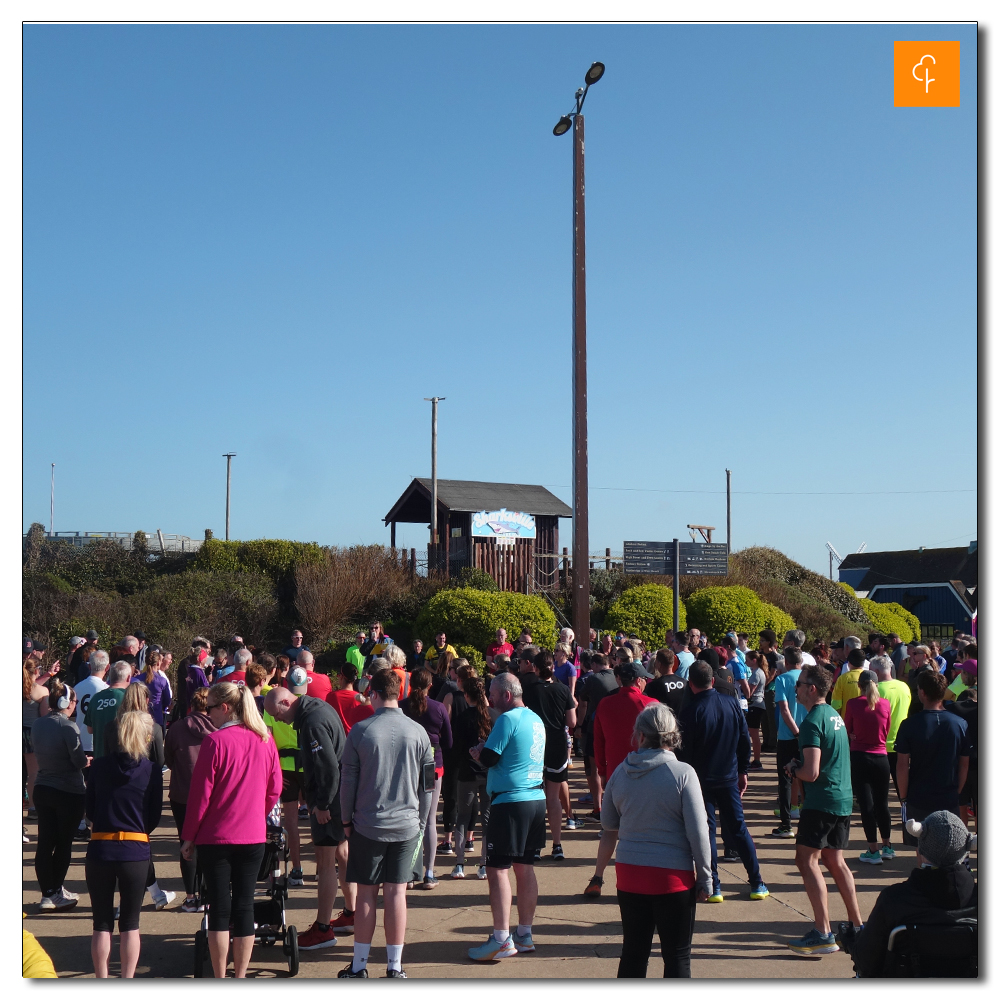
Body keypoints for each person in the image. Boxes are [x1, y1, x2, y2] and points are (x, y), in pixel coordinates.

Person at [180, 682, 282, 979]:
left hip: (216, 837)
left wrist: (189, 837)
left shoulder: (215, 742)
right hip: (252, 835)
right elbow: (274, 788)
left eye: (210, 707)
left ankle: (220, 976)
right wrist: (256, 813)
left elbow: (200, 796)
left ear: (225, 707)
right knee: (244, 905)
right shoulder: (265, 739)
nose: (207, 713)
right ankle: (239, 976)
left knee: (219, 909)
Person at [602, 704, 712, 977]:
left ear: (640, 736)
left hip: (629, 873)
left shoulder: (620, 772)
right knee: (677, 956)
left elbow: (608, 823)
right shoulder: (683, 773)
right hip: (672, 877)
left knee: (633, 952)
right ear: (672, 735)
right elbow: (699, 831)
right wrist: (706, 876)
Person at [338, 668, 434, 979]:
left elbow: (347, 782)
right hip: (406, 824)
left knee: (366, 893)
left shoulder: (361, 731)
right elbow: (428, 784)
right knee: (397, 893)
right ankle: (395, 967)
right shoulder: (418, 732)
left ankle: (360, 965)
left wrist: (346, 820)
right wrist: (420, 820)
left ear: (375, 693)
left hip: (369, 823)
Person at [264, 685, 352, 949]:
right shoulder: (317, 708)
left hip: (329, 801)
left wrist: (321, 803)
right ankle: (351, 913)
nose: (277, 720)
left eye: (276, 714)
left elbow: (328, 768)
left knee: (325, 863)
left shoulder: (311, 722)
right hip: (339, 797)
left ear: (285, 704)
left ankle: (323, 929)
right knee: (342, 853)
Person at [467, 673, 546, 962]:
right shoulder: (535, 719)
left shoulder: (507, 719)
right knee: (525, 867)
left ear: (507, 696)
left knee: (497, 868)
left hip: (511, 801)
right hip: (535, 799)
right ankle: (524, 934)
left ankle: (501, 937)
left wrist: (478, 753)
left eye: (493, 693)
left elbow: (489, 757)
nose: (488, 698)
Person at [785, 664, 863, 956]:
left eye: (801, 683)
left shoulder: (812, 721)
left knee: (806, 860)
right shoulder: (834, 716)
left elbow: (812, 772)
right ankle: (856, 925)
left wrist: (794, 769)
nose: (797, 688)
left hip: (822, 802)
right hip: (841, 799)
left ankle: (822, 931)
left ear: (812, 689)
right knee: (835, 860)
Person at [678, 659, 768, 903]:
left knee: (706, 832)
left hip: (701, 781)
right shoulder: (731, 703)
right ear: (712, 681)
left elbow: (683, 753)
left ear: (690, 683)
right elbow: (744, 740)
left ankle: (713, 884)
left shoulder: (689, 712)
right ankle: (757, 881)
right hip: (728, 777)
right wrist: (743, 770)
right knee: (738, 829)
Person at [84, 703, 163, 977]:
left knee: (101, 922)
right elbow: (153, 817)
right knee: (130, 923)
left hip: (100, 849)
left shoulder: (99, 766)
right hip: (135, 850)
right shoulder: (152, 770)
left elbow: (90, 809)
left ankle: (101, 979)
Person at [848, 811, 977, 978]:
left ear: (921, 850)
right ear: (965, 850)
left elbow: (866, 962)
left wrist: (851, 941)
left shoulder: (894, 899)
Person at [31, 680, 87, 911]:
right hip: (67, 791)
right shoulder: (68, 727)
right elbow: (78, 760)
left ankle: (48, 892)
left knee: (45, 841)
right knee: (64, 843)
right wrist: (86, 761)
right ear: (66, 702)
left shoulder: (37, 724)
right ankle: (55, 891)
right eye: (73, 701)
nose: (74, 705)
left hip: (43, 787)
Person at [895, 670, 970, 840]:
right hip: (948, 794)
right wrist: (956, 791)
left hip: (918, 796)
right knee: (948, 843)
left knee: (922, 845)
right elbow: (964, 763)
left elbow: (902, 765)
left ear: (922, 692)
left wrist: (904, 796)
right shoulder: (960, 724)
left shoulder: (909, 724)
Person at [521, 649, 578, 860]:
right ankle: (557, 845)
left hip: (533, 744)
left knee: (535, 796)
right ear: (552, 667)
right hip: (556, 744)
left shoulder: (528, 689)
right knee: (553, 798)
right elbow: (572, 722)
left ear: (535, 668)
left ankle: (535, 845)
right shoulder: (563, 690)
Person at [164, 685, 215, 912]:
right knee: (209, 844)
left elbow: (168, 760)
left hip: (182, 794)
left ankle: (191, 895)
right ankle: (209, 894)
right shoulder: (219, 729)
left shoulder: (176, 728)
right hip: (211, 796)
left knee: (185, 843)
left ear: (191, 705)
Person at [401, 668, 452, 889]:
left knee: (408, 818)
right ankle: (429, 873)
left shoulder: (402, 707)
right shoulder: (438, 708)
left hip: (407, 767)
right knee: (429, 819)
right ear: (430, 685)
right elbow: (448, 742)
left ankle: (409, 872)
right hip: (431, 768)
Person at [263, 668, 308, 887]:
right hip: (308, 766)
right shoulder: (309, 704)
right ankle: (322, 867)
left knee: (290, 822)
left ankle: (297, 869)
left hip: (285, 768)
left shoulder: (272, 706)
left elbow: (268, 742)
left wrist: (276, 772)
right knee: (319, 818)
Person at [451, 674, 497, 880]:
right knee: (487, 818)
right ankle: (484, 864)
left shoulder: (461, 718)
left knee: (462, 816)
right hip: (489, 773)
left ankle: (460, 863)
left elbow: (456, 748)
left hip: (466, 772)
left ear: (467, 695)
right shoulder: (494, 716)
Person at [844, 670, 893, 863]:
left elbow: (848, 728)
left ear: (860, 685)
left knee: (866, 805)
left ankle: (873, 849)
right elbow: (886, 729)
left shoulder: (853, 704)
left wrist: (854, 734)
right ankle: (887, 845)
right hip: (881, 756)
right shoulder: (885, 704)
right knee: (882, 803)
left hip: (860, 756)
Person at [771, 648, 807, 838]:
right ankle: (808, 823)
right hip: (808, 735)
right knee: (807, 777)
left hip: (788, 737)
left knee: (785, 781)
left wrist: (795, 732)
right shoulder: (808, 678)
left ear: (786, 662)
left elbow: (784, 710)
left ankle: (786, 825)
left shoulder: (782, 679)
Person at [872, 653, 911, 797]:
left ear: (876, 672)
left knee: (879, 790)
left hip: (881, 744)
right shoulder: (904, 687)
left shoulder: (876, 690)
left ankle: (880, 817)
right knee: (903, 788)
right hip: (902, 742)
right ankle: (905, 815)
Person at [84, 661, 131, 758]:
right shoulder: (129, 698)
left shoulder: (96, 698)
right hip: (122, 761)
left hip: (99, 759)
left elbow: (90, 729)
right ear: (129, 677)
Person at [23, 659, 51, 818]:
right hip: (31, 734)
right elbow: (44, 716)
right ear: (36, 671)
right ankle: (33, 807)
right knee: (33, 773)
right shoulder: (41, 691)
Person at [74, 651, 109, 756]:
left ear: (89, 666)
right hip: (97, 743)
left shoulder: (77, 687)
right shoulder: (106, 690)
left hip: (79, 740)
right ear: (107, 667)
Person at [326, 662, 375, 734]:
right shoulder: (361, 699)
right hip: (354, 737)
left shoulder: (331, 696)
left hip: (337, 737)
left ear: (341, 677)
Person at [132, 649, 171, 729]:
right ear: (158, 663)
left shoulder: (137, 679)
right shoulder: (161, 680)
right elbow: (167, 701)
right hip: (156, 718)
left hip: (140, 717)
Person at [744, 650, 768, 769]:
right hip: (757, 704)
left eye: (747, 660)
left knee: (753, 733)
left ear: (754, 661)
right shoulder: (758, 672)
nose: (745, 662)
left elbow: (750, 692)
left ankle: (757, 760)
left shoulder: (756, 673)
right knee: (753, 733)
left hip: (755, 704)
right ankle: (755, 759)